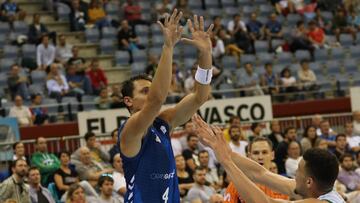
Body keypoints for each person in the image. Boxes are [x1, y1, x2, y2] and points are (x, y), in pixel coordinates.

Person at [118, 10, 213, 202]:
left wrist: (205, 54)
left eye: (151, 89)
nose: (151, 93)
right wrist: (168, 47)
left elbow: (199, 97)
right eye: (145, 91)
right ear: (128, 101)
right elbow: (157, 99)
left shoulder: (162, 123)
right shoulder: (130, 130)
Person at [193, 114, 345, 203]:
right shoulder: (316, 190)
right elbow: (261, 174)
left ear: (309, 181)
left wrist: (226, 162)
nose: (294, 174)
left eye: (298, 171)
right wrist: (224, 150)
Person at [224, 136, 289, 202]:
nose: (260, 157)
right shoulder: (236, 184)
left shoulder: (282, 184)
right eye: (256, 153)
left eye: (264, 152)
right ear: (249, 156)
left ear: (272, 155)